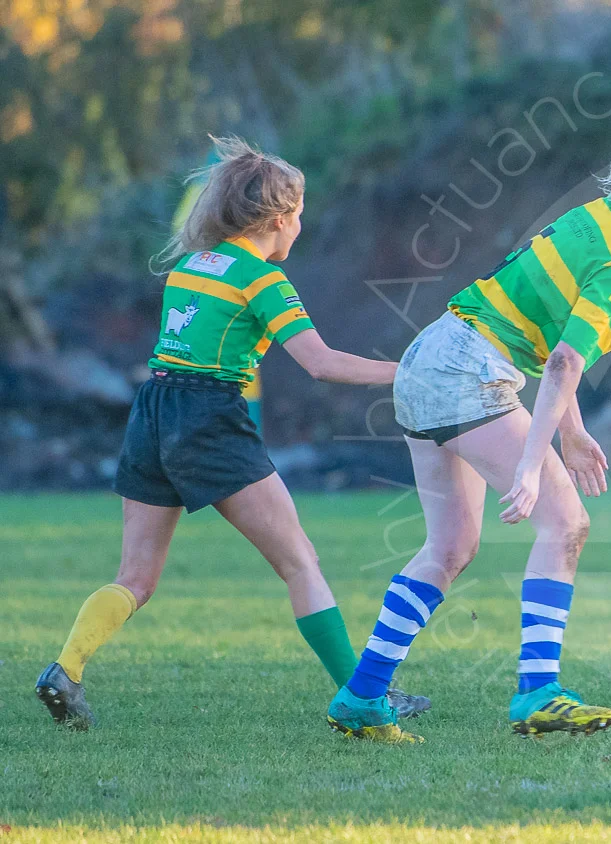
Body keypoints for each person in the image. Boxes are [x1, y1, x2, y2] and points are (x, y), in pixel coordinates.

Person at [327, 119, 611, 743]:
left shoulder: (594, 217)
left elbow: (552, 344)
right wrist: (533, 465)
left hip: (429, 355)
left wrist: (573, 431)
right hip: (468, 372)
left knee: (450, 547)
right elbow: (563, 362)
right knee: (566, 522)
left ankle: (364, 695)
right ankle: (538, 691)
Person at [34, 136, 426, 730]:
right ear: (277, 218)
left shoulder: (192, 265)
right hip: (208, 418)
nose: (301, 225)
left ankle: (66, 668)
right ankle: (364, 698)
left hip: (153, 411)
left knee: (135, 578)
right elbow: (320, 364)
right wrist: (410, 371)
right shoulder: (263, 282)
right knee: (301, 562)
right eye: (299, 213)